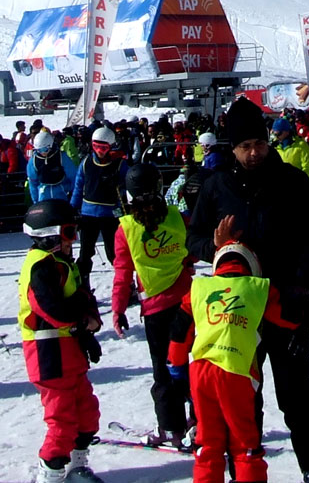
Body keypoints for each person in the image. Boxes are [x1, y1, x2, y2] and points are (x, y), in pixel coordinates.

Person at [186, 97, 309, 483]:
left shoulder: (292, 181)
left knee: (297, 393)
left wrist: (302, 289)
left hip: (285, 301)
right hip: (236, 312)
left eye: (260, 144)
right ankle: (244, 470)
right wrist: (213, 247)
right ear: (231, 148)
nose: (254, 153)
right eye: (245, 146)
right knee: (241, 399)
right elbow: (194, 237)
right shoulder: (217, 185)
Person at [169, 241, 309, 483]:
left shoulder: (199, 287)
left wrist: (176, 370)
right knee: (244, 444)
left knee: (208, 443)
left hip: (202, 373)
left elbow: (179, 331)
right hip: (235, 372)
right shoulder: (259, 288)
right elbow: (285, 316)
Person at [19, 199, 105, 483]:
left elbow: (81, 296)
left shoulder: (61, 262)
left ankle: (76, 466)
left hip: (70, 352)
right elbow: (51, 308)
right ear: (50, 236)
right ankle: (51, 474)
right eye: (69, 233)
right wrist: (81, 319)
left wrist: (88, 324)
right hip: (49, 356)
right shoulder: (41, 266)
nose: (74, 240)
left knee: (87, 414)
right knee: (62, 419)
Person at [111, 163, 194, 450]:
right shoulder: (177, 217)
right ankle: (200, 422)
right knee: (192, 363)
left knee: (164, 370)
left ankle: (170, 428)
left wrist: (118, 309)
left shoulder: (126, 229)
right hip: (188, 303)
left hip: (156, 309)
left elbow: (123, 273)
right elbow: (191, 250)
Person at [71, 125, 129, 290]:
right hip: (88, 213)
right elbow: (78, 185)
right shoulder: (87, 162)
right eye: (96, 147)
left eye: (103, 148)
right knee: (85, 252)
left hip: (110, 214)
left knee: (114, 253)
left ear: (111, 146)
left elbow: (130, 183)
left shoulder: (119, 164)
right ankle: (83, 285)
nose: (99, 151)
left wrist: (122, 187)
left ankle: (125, 284)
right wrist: (73, 207)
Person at [28, 130, 78, 203]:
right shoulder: (34, 161)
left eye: (45, 149)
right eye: (39, 150)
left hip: (62, 195)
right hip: (44, 196)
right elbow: (33, 182)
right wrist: (36, 201)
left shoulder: (61, 157)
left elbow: (73, 177)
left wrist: (73, 197)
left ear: (50, 145)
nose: (43, 153)